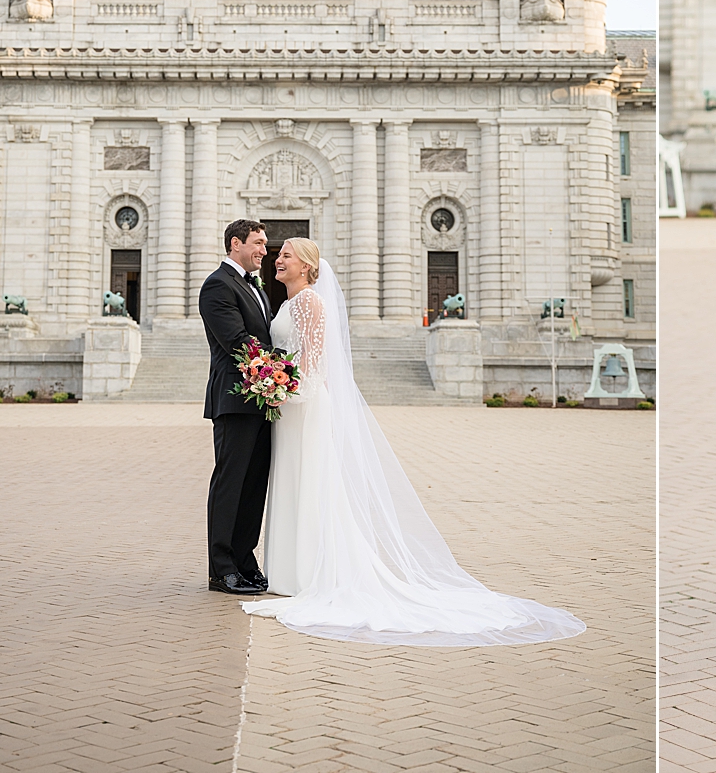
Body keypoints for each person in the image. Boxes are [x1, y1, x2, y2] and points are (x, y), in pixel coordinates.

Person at [241, 238, 586, 646]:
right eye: (277, 255)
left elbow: (317, 364)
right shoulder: (284, 303)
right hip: (288, 407)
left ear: (308, 265)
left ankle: (310, 574)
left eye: (286, 256)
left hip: (305, 404)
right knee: (292, 483)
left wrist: (291, 390)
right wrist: (274, 382)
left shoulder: (312, 302)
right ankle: (289, 573)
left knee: (311, 484)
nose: (277, 259)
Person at [198, 218, 276, 596]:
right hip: (234, 399)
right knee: (230, 484)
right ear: (236, 244)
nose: (264, 250)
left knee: (253, 486)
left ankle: (245, 560)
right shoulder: (217, 285)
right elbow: (237, 341)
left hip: (263, 401)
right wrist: (282, 369)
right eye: (259, 243)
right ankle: (221, 568)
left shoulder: (256, 286)